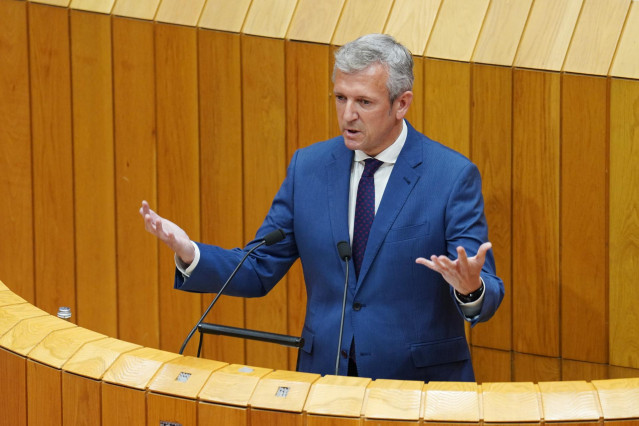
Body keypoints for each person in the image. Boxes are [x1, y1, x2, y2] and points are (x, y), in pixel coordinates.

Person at [141, 33, 504, 382]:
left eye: (364, 102)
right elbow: (258, 267)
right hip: (325, 383)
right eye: (340, 98)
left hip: (416, 387)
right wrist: (190, 253)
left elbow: (485, 288)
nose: (348, 115)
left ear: (401, 104)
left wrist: (470, 288)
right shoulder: (309, 168)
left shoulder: (451, 175)